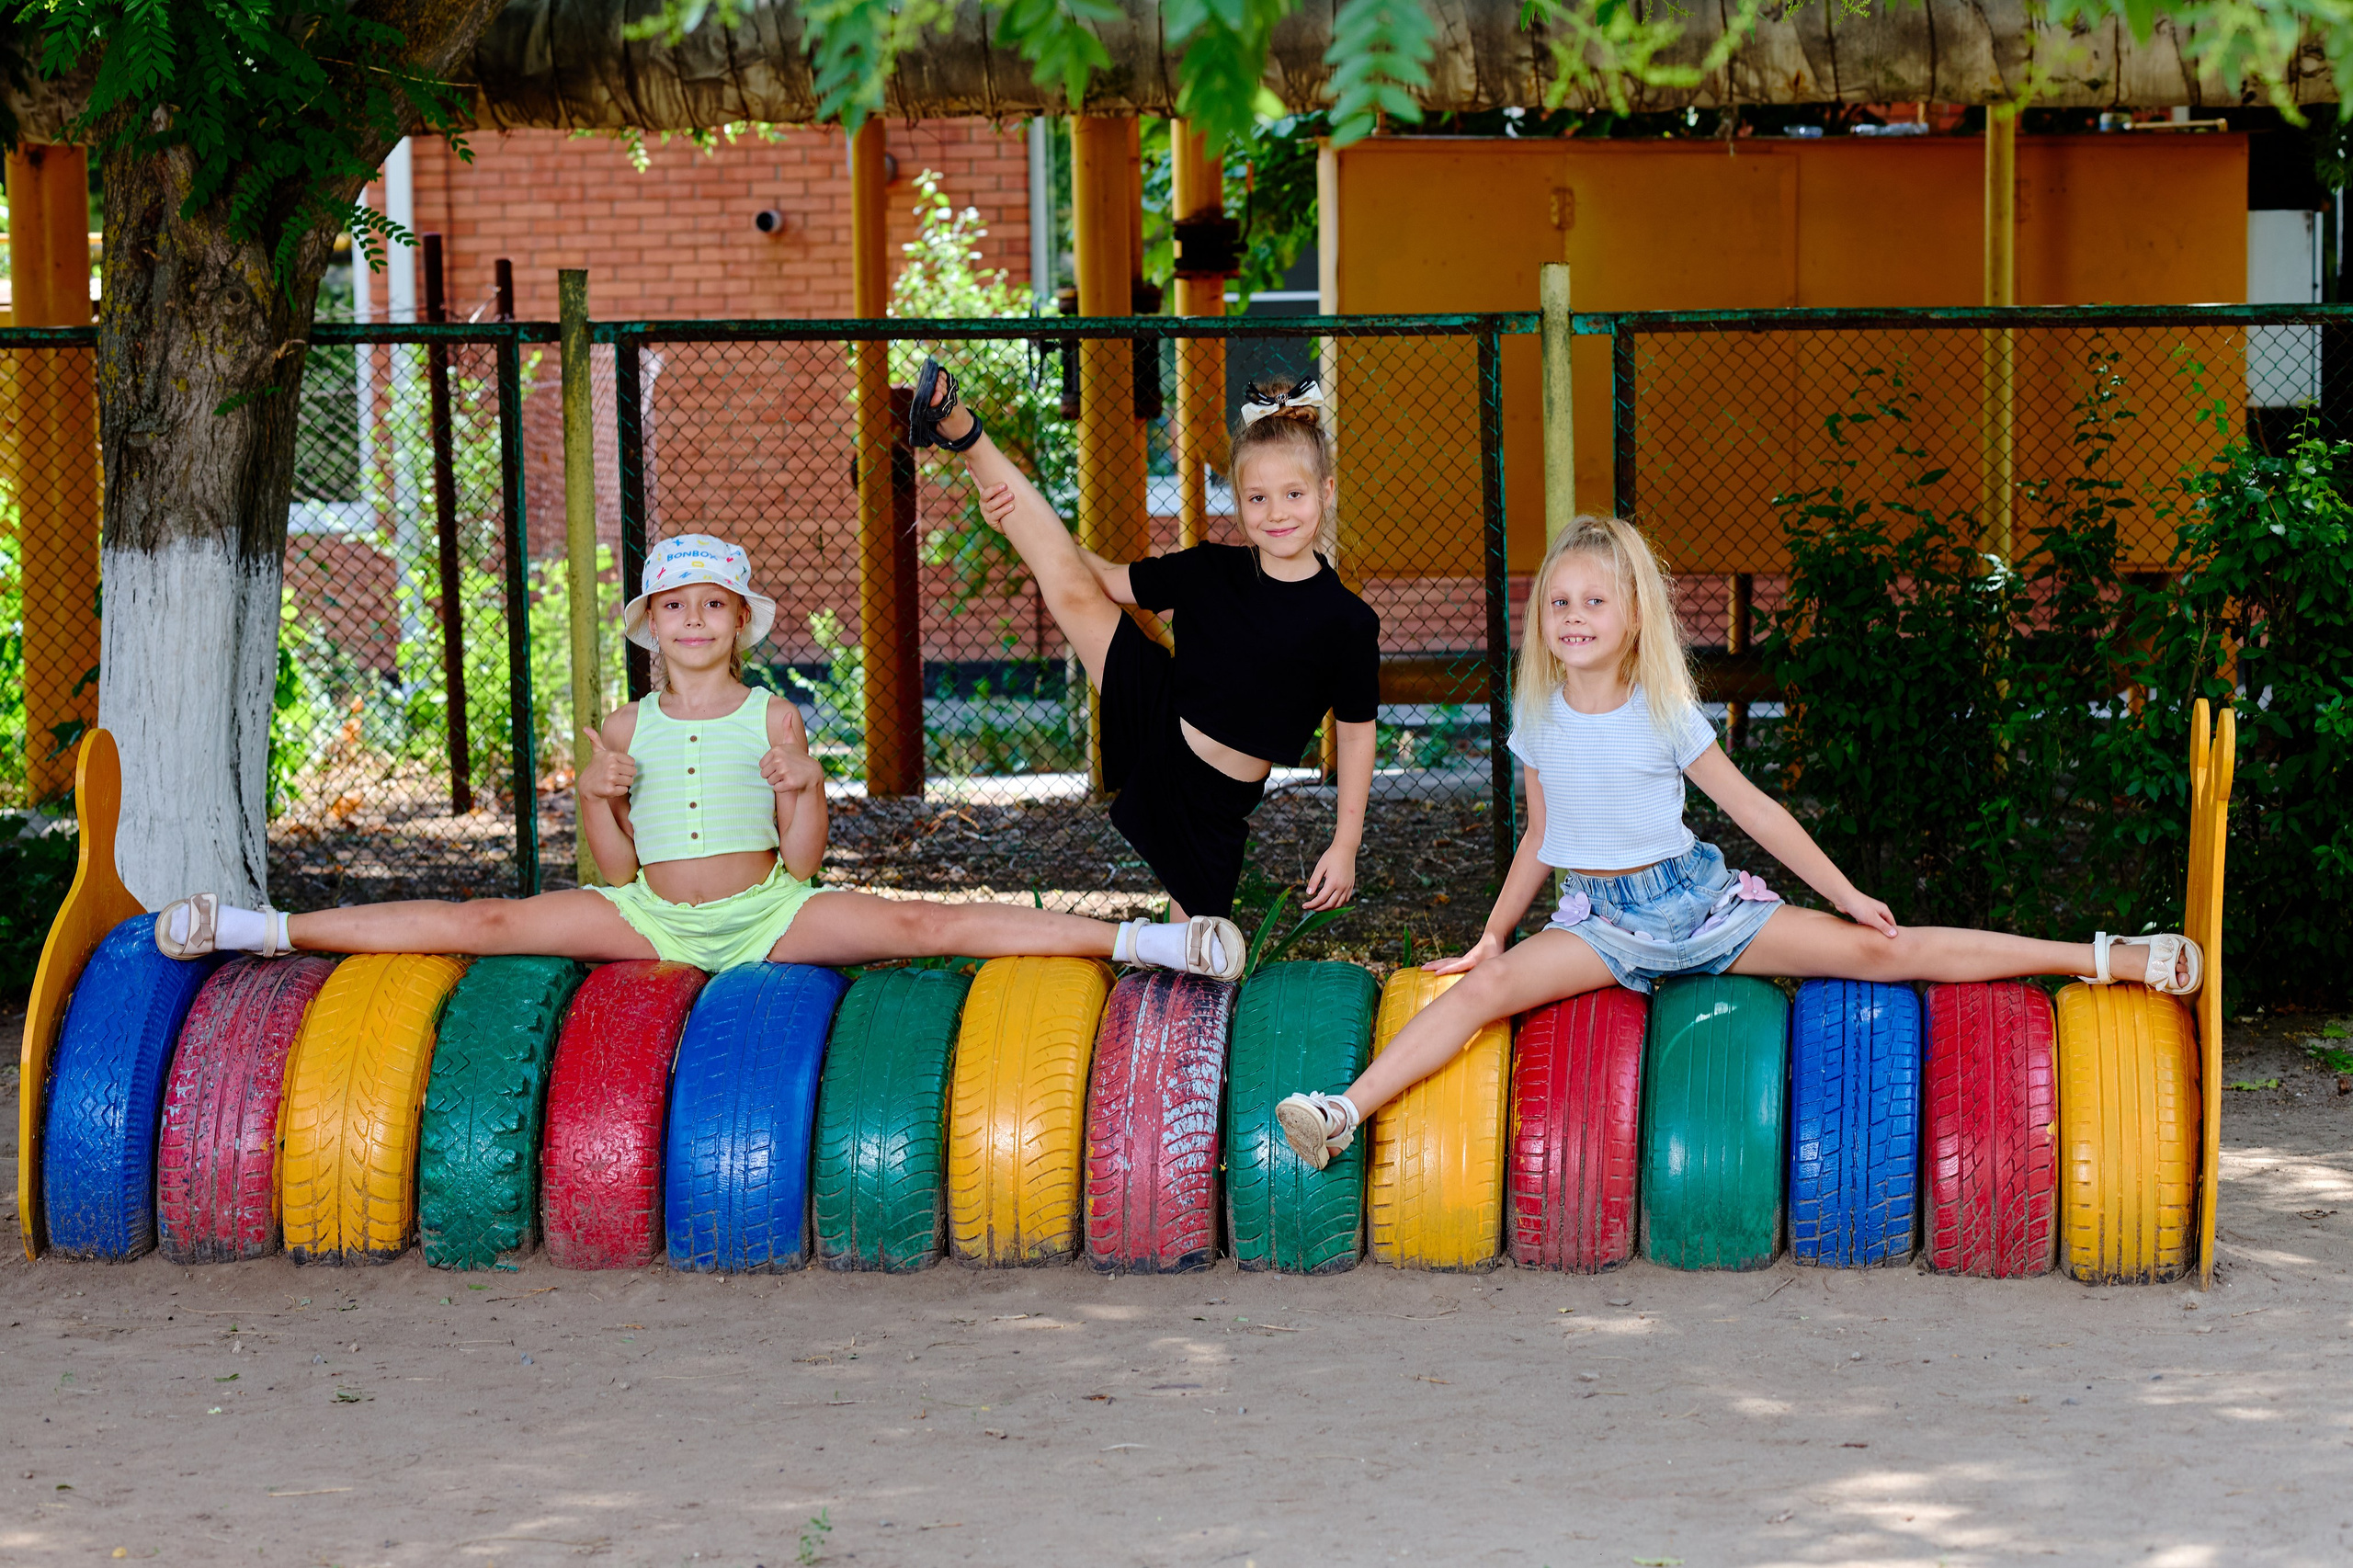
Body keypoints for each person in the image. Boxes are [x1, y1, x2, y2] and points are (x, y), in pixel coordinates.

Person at [1273, 515, 2204, 1168]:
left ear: (1633, 613)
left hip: (1698, 904)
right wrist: (1493, 932)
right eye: (1559, 602)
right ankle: (1341, 1110)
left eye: (1595, 600)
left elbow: (1758, 812)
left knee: (1889, 950)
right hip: (1600, 923)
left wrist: (1841, 892)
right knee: (1486, 987)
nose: (1574, 616)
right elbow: (1542, 838)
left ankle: (2106, 955)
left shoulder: (1663, 711)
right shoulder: (1538, 717)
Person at [153, 533, 1244, 980]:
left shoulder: (770, 718)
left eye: (711, 605)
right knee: (482, 922)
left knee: (926, 923)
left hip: (765, 913)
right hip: (650, 920)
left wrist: (804, 789)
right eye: (674, 605)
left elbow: (805, 861)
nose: (692, 620)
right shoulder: (624, 729)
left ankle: (1154, 944)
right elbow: (615, 872)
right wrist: (594, 794)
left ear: (739, 622)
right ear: (649, 623)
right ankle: (254, 927)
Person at [910, 362, 1380, 923]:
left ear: (1325, 491)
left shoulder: (1347, 621)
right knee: (1075, 592)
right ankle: (958, 425)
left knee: (1193, 957)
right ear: (1237, 499)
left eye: (1293, 494)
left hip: (1213, 806)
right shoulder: (1212, 569)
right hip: (1159, 713)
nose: (1276, 513)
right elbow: (1099, 578)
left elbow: (1355, 734)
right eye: (1257, 498)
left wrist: (1345, 842)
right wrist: (1017, 526)